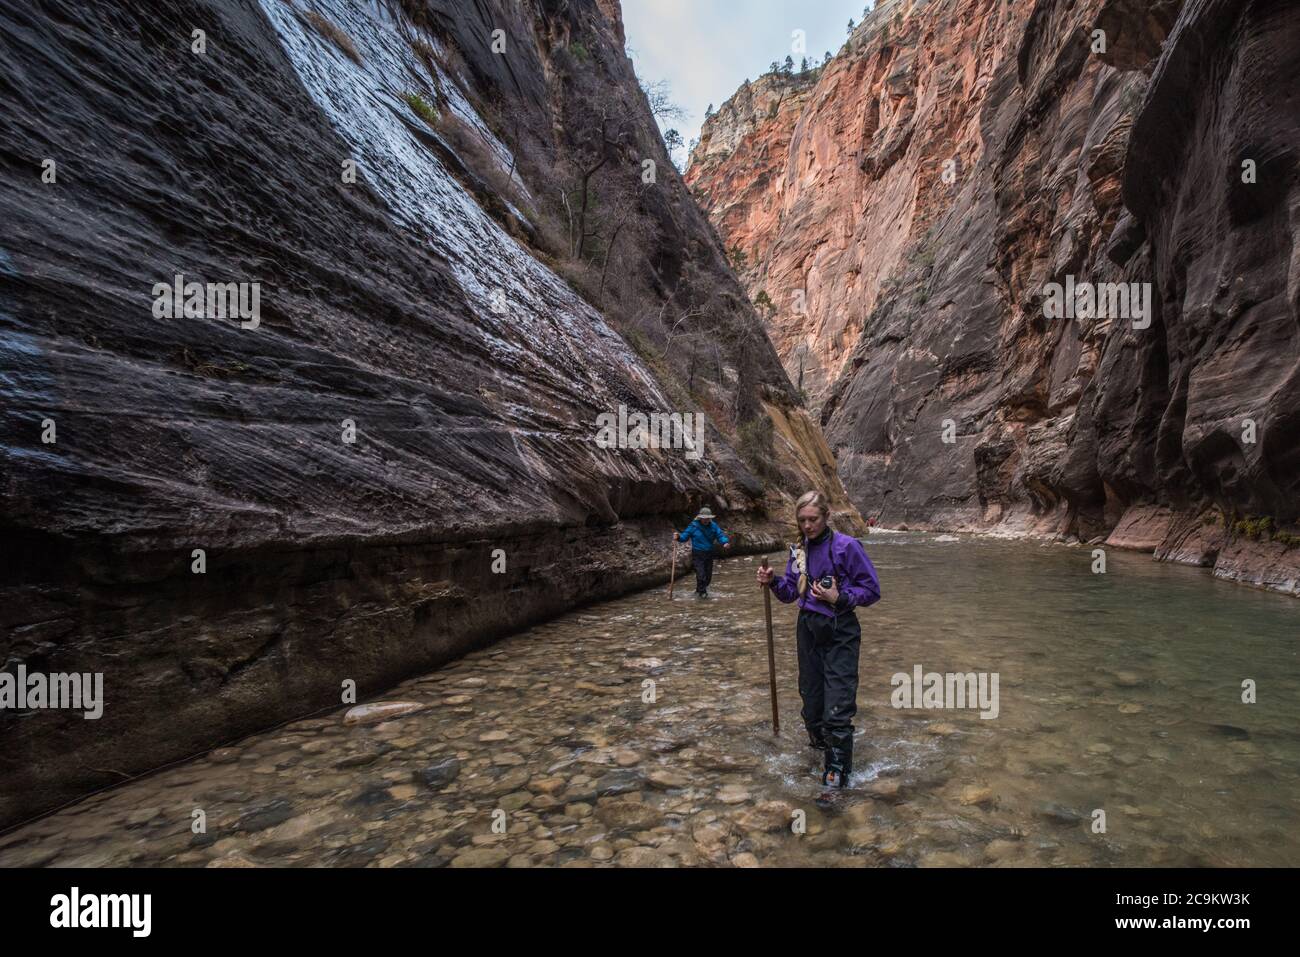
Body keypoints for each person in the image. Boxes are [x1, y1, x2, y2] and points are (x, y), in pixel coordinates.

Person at [756, 491, 881, 787]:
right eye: (802, 521)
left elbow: (872, 591)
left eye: (813, 519)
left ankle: (836, 778)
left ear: (826, 517)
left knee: (837, 709)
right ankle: (819, 756)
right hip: (808, 628)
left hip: (841, 630)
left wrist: (840, 597)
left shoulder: (846, 547)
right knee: (812, 704)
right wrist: (773, 581)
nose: (808, 526)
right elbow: (789, 594)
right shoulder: (798, 551)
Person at [678, 506, 731, 598]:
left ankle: (699, 590)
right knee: (701, 574)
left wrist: (725, 542)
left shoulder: (713, 526)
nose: (706, 520)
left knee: (708, 577)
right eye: (704, 518)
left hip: (709, 554)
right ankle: (703, 594)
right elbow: (684, 537)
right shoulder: (693, 526)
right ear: (700, 518)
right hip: (697, 554)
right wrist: (678, 537)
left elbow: (720, 535)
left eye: (708, 518)